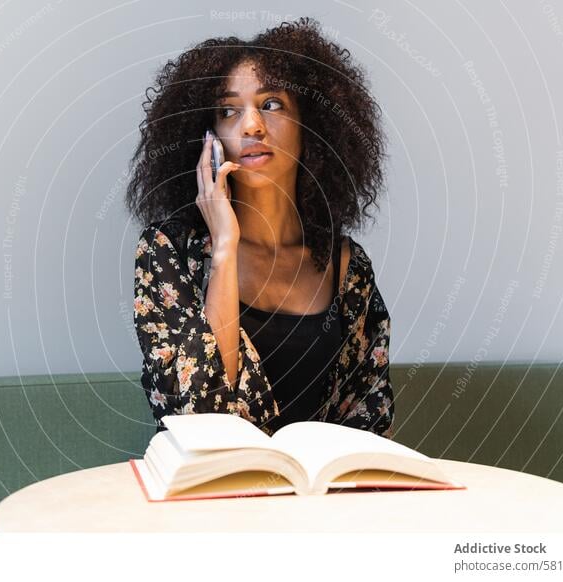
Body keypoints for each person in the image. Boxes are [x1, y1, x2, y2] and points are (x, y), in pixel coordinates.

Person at [126, 17, 395, 439]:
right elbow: (199, 415)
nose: (251, 126)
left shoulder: (345, 266)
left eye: (271, 104)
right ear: (208, 139)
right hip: (209, 498)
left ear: (313, 128)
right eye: (228, 110)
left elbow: (369, 422)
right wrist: (224, 248)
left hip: (319, 499)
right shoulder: (166, 253)